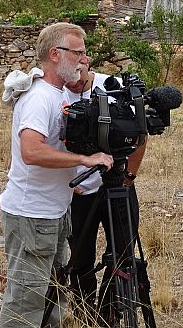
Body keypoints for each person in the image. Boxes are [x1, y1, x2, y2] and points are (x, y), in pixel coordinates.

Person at [0, 23, 115, 328]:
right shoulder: (40, 98)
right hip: (32, 215)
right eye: (78, 52)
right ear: (54, 54)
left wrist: (69, 179)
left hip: (53, 213)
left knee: (52, 295)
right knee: (26, 301)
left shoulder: (57, 93)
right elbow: (32, 151)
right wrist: (83, 160)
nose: (83, 59)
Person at [63, 65, 147, 324]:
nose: (74, 85)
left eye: (79, 79)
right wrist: (65, 179)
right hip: (78, 191)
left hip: (119, 187)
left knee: (122, 259)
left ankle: (109, 314)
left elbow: (140, 135)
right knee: (79, 259)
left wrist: (128, 177)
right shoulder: (54, 92)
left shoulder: (113, 87)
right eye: (70, 81)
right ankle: (84, 315)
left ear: (86, 61)